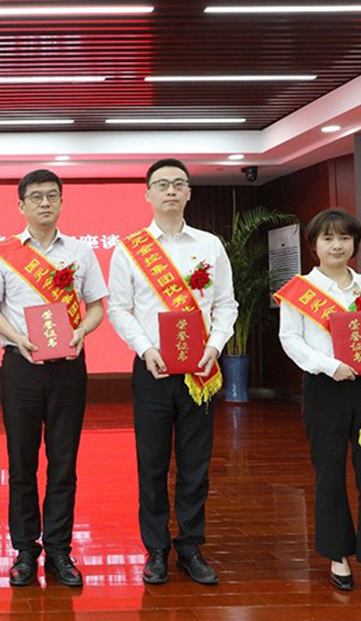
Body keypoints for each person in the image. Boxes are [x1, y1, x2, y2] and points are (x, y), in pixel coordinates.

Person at [107, 158, 237, 586]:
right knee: (152, 463)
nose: (170, 191)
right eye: (161, 185)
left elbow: (226, 304)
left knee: (196, 463)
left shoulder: (210, 245)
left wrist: (214, 346)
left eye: (178, 184)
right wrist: (145, 349)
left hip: (200, 370)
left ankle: (191, 546)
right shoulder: (130, 249)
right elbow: (119, 308)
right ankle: (157, 549)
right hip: (153, 370)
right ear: (147, 194)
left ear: (189, 193)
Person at [0, 169, 108, 588]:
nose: (45, 203)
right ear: (21, 205)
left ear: (61, 202)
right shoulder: (3, 253)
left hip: (68, 366)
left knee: (64, 461)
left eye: (52, 195)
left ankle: (58, 548)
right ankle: (24, 549)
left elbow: (96, 306)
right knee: (21, 461)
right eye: (36, 197)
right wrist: (16, 338)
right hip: (20, 367)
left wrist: (82, 330)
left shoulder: (81, 251)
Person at [277, 209, 361, 604]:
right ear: (313, 245)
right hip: (325, 388)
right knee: (329, 473)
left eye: (345, 238)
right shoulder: (299, 289)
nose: (337, 246)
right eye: (328, 238)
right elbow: (291, 340)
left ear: (355, 244)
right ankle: (337, 555)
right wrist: (328, 365)